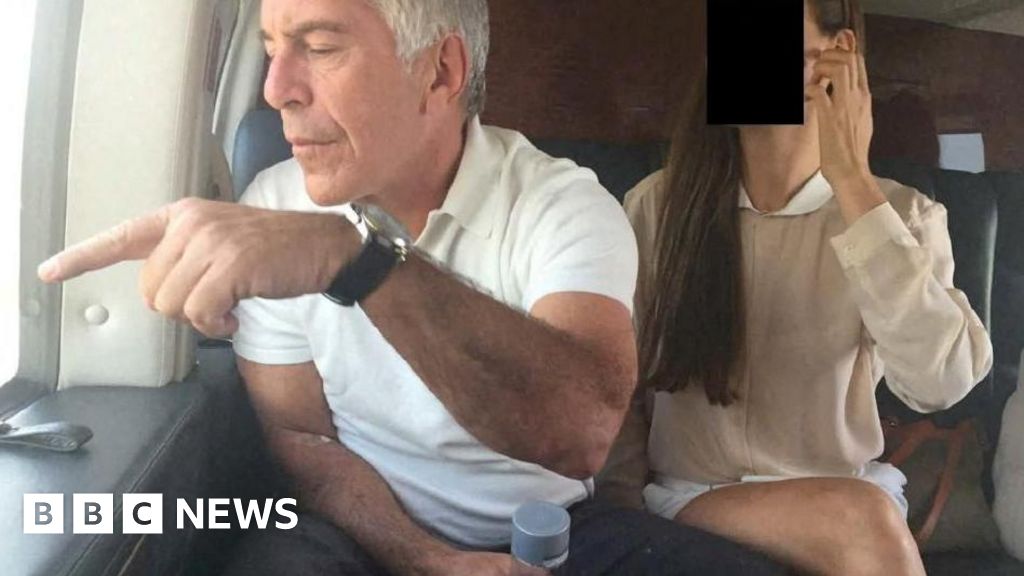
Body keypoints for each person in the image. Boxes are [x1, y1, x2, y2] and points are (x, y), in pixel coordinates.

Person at [38, 0, 786, 574]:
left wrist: (354, 259)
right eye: (270, 51)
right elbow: (300, 436)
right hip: (359, 528)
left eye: (319, 48)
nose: (276, 90)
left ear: (440, 72)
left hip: (556, 530)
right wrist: (428, 558)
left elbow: (578, 435)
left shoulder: (563, 206)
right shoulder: (271, 206)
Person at [597, 1, 993, 575]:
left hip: (845, 501)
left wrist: (852, 179)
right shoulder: (656, 207)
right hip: (693, 502)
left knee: (860, 517)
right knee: (861, 520)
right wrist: (620, 516)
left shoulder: (900, 214)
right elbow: (614, 380)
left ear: (839, 55)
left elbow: (942, 383)